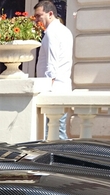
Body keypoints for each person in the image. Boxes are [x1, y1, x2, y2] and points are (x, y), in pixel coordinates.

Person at [34, 0, 73, 140]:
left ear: (50, 14)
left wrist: (47, 88)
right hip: (62, 87)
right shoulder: (65, 30)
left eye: (39, 15)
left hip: (54, 89)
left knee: (54, 133)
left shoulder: (52, 32)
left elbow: (52, 63)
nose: (37, 20)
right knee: (58, 130)